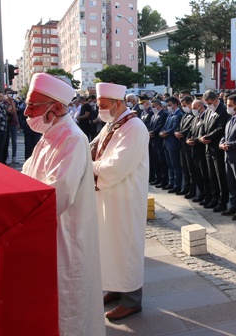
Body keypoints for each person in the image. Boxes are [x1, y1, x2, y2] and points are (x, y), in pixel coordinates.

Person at [21, 73, 104, 335]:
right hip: (47, 232)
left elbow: (58, 194)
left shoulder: (72, 138)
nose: (26, 111)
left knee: (68, 305)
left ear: (56, 108)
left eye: (33, 105)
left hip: (66, 234)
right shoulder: (49, 134)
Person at [91, 82, 149, 321]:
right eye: (98, 105)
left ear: (117, 103)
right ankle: (114, 288)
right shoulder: (112, 124)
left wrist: (88, 166)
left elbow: (117, 166)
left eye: (104, 106)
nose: (100, 110)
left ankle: (132, 300)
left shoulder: (133, 126)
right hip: (108, 195)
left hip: (124, 197)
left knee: (125, 247)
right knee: (108, 244)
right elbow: (93, 148)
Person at [200, 90, 229, 212]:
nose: (208, 105)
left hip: (217, 148)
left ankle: (223, 201)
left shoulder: (223, 110)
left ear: (216, 100)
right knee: (212, 175)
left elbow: (221, 128)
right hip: (208, 147)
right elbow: (203, 124)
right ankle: (214, 197)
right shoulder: (208, 110)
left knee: (220, 176)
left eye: (209, 103)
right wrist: (201, 136)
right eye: (206, 103)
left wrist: (208, 137)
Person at [187, 100, 212, 204]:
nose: (193, 109)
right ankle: (201, 194)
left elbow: (203, 135)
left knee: (204, 175)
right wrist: (187, 139)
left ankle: (208, 196)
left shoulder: (205, 118)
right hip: (194, 150)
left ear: (201, 107)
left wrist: (195, 140)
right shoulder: (195, 118)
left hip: (201, 151)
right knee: (197, 174)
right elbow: (190, 131)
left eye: (194, 107)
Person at [160, 96, 184, 192]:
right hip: (167, 142)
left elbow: (174, 128)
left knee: (175, 165)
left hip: (173, 143)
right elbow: (164, 126)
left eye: (170, 105)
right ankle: (171, 182)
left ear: (175, 104)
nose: (168, 107)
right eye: (167, 105)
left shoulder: (178, 114)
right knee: (169, 164)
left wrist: (166, 133)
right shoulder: (170, 115)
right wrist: (161, 132)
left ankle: (177, 184)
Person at [175, 96, 197, 197]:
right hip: (182, 145)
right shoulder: (185, 115)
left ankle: (192, 190)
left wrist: (181, 133)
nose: (183, 107)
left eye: (185, 105)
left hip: (188, 145)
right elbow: (180, 126)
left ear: (190, 104)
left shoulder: (194, 115)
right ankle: (186, 187)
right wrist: (176, 132)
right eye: (182, 105)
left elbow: (190, 128)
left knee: (191, 169)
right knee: (184, 168)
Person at [148, 99, 169, 188]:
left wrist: (152, 132)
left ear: (159, 106)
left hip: (159, 141)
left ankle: (164, 180)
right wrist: (149, 132)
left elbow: (160, 126)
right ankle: (158, 178)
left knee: (161, 161)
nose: (152, 109)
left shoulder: (163, 114)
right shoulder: (153, 116)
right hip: (153, 141)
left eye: (154, 107)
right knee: (155, 160)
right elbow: (150, 125)